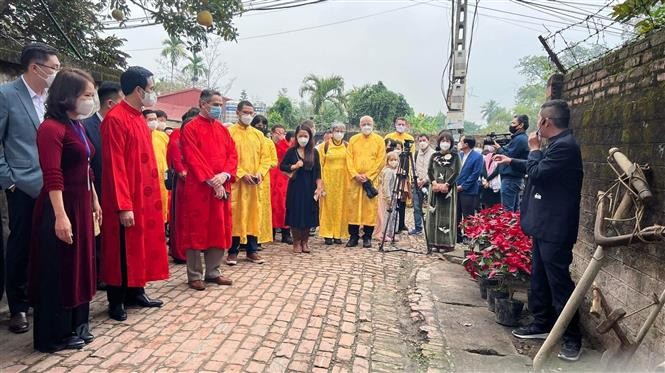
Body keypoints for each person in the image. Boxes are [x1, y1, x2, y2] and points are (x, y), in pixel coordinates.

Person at [494, 100, 584, 361]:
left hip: (556, 228)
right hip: (544, 226)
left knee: (559, 283)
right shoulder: (557, 145)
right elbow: (536, 166)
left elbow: (539, 172)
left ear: (546, 122)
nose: (537, 126)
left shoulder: (565, 147)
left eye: (539, 120)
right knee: (540, 278)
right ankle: (542, 322)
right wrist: (512, 159)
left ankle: (571, 338)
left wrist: (533, 149)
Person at [29, 68, 99, 352]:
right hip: (60, 206)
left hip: (81, 205)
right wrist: (60, 216)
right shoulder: (51, 129)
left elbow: (86, 167)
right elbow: (53, 174)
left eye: (92, 95)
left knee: (79, 265)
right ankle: (52, 335)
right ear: (67, 96)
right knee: (58, 269)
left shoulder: (77, 125)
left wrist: (95, 201)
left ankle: (75, 324)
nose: (90, 101)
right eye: (86, 95)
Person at [100, 66, 169, 322]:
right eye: (151, 89)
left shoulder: (139, 117)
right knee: (120, 248)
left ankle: (136, 291)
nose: (153, 93)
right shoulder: (115, 119)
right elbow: (114, 166)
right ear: (139, 90)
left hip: (145, 195)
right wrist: (123, 205)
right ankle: (116, 300)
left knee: (140, 245)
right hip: (126, 196)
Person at [0, 42, 59, 334]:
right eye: (54, 68)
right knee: (20, 245)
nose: (56, 73)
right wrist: (8, 180)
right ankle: (18, 307)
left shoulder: (54, 99)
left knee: (49, 243)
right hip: (21, 185)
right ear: (36, 67)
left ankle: (41, 297)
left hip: (54, 184)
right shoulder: (6, 95)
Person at [180, 89, 237, 291]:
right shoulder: (190, 128)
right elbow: (193, 157)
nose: (218, 108)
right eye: (215, 104)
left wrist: (225, 175)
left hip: (220, 187)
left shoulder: (223, 130)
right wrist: (214, 181)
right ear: (203, 104)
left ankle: (213, 271)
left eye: (220, 105)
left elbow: (232, 155)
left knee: (218, 228)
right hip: (199, 189)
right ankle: (194, 274)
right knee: (196, 229)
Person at [83, 81, 123, 290]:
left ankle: (108, 273)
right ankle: (98, 275)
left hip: (114, 190)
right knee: (96, 236)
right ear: (110, 102)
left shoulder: (120, 124)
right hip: (95, 188)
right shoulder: (87, 126)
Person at [227, 100, 268, 265]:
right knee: (235, 215)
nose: (248, 116)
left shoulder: (258, 135)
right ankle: (232, 251)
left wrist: (260, 173)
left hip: (254, 184)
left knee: (254, 214)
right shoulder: (229, 132)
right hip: (237, 182)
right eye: (245, 112)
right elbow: (227, 158)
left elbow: (265, 159)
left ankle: (252, 250)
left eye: (251, 113)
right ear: (237, 112)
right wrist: (241, 174)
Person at [280, 125, 322, 253]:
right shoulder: (291, 151)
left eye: (306, 136)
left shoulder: (314, 152)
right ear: (296, 137)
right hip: (296, 187)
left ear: (310, 137)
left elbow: (317, 172)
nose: (303, 139)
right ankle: (296, 242)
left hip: (310, 188)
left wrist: (319, 187)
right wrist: (293, 166)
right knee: (295, 214)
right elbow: (282, 166)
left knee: (308, 214)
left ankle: (305, 242)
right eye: (300, 136)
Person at [346, 115, 386, 248]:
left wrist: (368, 175)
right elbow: (349, 159)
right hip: (355, 181)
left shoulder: (379, 140)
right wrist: (355, 174)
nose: (366, 126)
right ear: (360, 125)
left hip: (370, 182)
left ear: (373, 125)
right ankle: (353, 236)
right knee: (353, 208)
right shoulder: (353, 140)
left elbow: (381, 161)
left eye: (369, 123)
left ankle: (367, 237)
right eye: (364, 124)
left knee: (369, 209)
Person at [166, 107, 199, 264]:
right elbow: (176, 162)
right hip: (184, 184)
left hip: (198, 184)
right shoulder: (177, 136)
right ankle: (181, 252)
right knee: (182, 219)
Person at [426, 132, 460, 252]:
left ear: (451, 143)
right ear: (439, 142)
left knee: (446, 217)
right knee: (433, 215)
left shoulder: (455, 157)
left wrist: (447, 184)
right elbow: (429, 171)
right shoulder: (434, 156)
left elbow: (456, 172)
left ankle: (446, 244)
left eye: (447, 141)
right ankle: (433, 242)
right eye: (442, 141)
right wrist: (434, 183)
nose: (445, 143)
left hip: (448, 191)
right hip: (434, 189)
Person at [318, 122, 349, 245]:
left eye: (342, 131)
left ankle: (338, 234)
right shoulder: (324, 146)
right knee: (328, 207)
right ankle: (327, 233)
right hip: (328, 181)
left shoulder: (347, 146)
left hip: (343, 182)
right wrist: (320, 183)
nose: (339, 133)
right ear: (332, 131)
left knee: (341, 207)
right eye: (337, 130)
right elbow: (319, 165)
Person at [250, 115, 278, 248]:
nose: (260, 126)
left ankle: (259, 238)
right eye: (257, 123)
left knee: (261, 209)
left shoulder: (269, 142)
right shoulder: (248, 139)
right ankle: (245, 239)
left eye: (263, 124)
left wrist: (261, 169)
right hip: (246, 178)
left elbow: (274, 161)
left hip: (263, 179)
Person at [493, 115, 529, 211]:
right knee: (514, 210)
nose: (511, 125)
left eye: (513, 123)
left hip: (511, 179)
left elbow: (508, 155)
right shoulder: (518, 138)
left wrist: (499, 149)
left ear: (521, 125)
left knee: (507, 211)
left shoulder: (520, 139)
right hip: (513, 179)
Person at [384, 117, 415, 233]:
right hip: (391, 171)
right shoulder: (389, 137)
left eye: (403, 124)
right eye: (399, 124)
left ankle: (401, 223)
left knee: (402, 198)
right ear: (395, 124)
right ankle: (390, 225)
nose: (401, 126)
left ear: (406, 126)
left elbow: (412, 156)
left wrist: (410, 175)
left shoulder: (409, 139)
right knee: (392, 197)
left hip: (404, 172)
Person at [144, 109, 170, 224]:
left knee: (162, 208)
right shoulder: (140, 135)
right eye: (150, 119)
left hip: (162, 178)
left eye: (155, 119)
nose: (154, 122)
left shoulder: (163, 136)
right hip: (146, 179)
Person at [455, 135, 483, 242]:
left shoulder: (477, 156)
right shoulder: (459, 155)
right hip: (456, 189)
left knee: (468, 215)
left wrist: (463, 186)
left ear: (466, 144)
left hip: (469, 191)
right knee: (456, 213)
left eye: (461, 141)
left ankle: (468, 235)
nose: (459, 143)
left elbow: (475, 174)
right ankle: (457, 235)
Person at [269, 124, 292, 244]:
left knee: (284, 204)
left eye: (282, 132)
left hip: (283, 176)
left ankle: (286, 233)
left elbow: (288, 155)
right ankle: (270, 231)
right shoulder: (268, 144)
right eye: (277, 132)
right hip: (270, 175)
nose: (279, 135)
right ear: (272, 133)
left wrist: (282, 141)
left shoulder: (286, 145)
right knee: (270, 204)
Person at [410, 134, 435, 235]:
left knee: (432, 206)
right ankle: (418, 227)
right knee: (416, 207)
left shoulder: (434, 154)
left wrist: (425, 180)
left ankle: (431, 228)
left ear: (428, 141)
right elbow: (413, 168)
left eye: (424, 140)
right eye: (420, 140)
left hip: (430, 183)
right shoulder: (416, 154)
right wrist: (416, 180)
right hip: (417, 184)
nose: (422, 142)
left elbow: (435, 170)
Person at [379, 151, 400, 243]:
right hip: (389, 197)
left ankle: (391, 233)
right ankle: (385, 233)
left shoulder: (394, 171)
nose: (394, 162)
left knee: (393, 216)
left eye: (395, 160)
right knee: (387, 216)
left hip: (394, 196)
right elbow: (386, 186)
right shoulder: (388, 171)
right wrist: (388, 197)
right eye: (391, 160)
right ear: (387, 161)